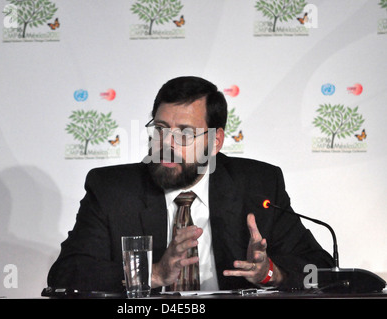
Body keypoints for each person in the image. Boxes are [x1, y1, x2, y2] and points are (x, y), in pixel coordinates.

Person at [46, 76, 334, 293]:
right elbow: (66, 274)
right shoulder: (112, 190)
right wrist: (153, 273)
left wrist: (269, 272)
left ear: (215, 141)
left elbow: (319, 268)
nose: (166, 145)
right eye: (160, 130)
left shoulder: (257, 185)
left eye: (184, 134)